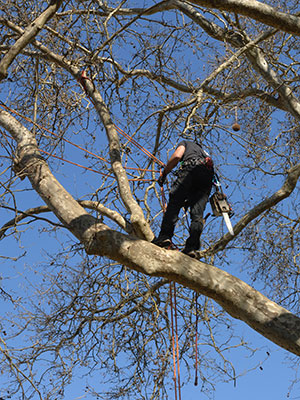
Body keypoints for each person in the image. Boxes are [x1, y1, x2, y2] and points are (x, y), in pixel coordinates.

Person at [152, 140, 214, 258]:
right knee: (197, 215)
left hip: (191, 169)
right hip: (207, 179)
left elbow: (176, 156)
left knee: (174, 204)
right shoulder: (205, 154)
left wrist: (164, 173)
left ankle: (165, 237)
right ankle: (191, 248)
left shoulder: (185, 143)